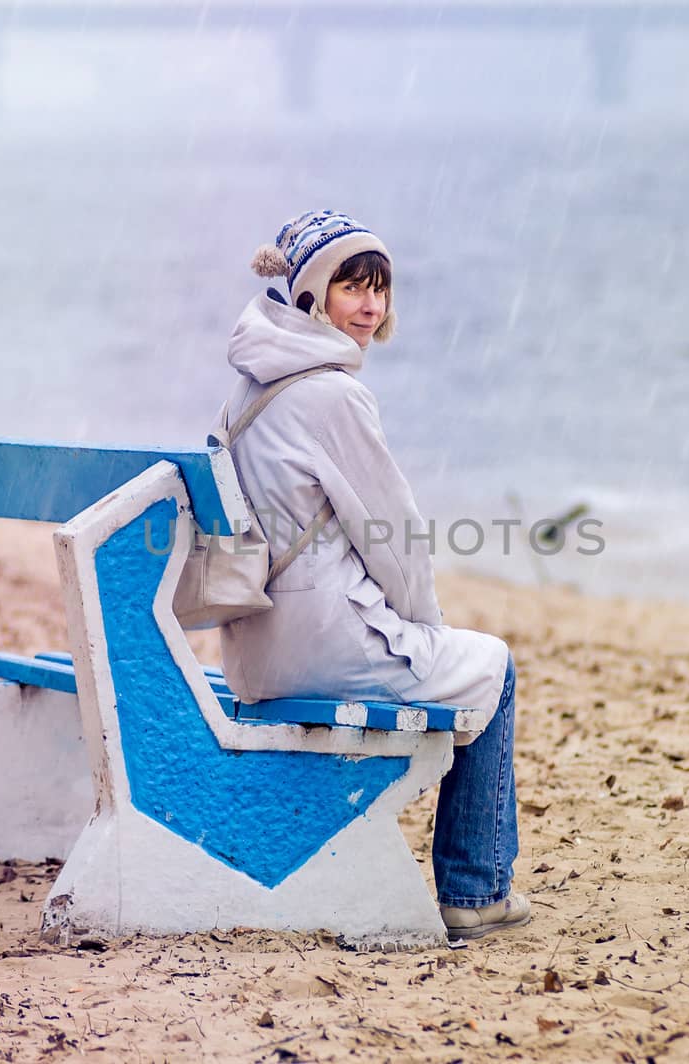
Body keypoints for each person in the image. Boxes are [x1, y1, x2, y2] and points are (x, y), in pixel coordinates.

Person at [214, 209, 528, 939]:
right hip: (326, 645)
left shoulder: (249, 389)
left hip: (256, 657)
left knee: (464, 661)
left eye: (380, 290)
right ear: (310, 296)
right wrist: (428, 630)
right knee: (493, 667)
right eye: (351, 287)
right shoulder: (332, 395)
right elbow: (394, 539)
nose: (370, 306)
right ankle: (476, 892)